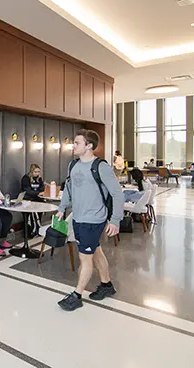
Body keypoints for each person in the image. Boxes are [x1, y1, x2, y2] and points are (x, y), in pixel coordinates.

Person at [56, 129, 123, 311]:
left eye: (77, 143)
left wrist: (115, 220)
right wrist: (62, 208)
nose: (73, 145)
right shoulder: (73, 165)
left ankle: (77, 295)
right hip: (78, 218)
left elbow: (117, 194)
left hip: (93, 220)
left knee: (85, 258)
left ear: (89, 146)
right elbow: (68, 189)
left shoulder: (101, 167)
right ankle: (107, 285)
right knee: (96, 251)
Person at [20, 164, 45, 236]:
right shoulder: (25, 178)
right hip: (27, 200)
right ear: (31, 171)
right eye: (35, 172)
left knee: (39, 213)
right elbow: (28, 191)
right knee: (28, 217)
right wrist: (38, 193)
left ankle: (37, 230)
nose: (37, 173)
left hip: (36, 199)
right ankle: (28, 232)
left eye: (38, 172)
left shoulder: (39, 179)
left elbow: (42, 188)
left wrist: (38, 193)